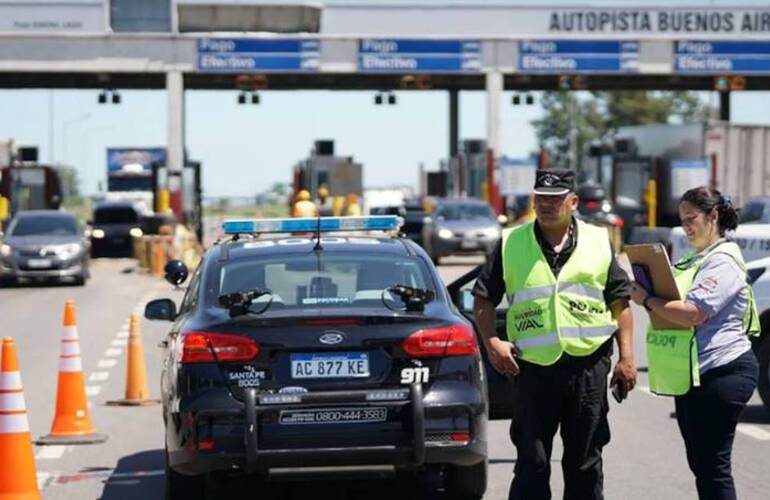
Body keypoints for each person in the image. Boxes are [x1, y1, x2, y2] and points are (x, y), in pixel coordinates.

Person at [472, 168, 636, 500]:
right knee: (532, 463)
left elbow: (621, 301)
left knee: (585, 463)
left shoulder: (597, 240)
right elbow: (482, 299)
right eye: (540, 199)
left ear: (573, 201)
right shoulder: (510, 242)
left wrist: (627, 358)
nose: (546, 205)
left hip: (587, 367)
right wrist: (492, 344)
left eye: (555, 199)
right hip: (532, 369)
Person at [630, 186, 759, 500]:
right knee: (701, 465)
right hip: (694, 374)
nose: (686, 227)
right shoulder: (696, 258)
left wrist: (646, 298)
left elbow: (692, 314)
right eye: (682, 219)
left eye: (692, 219)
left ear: (714, 216)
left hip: (723, 372)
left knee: (713, 467)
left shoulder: (723, 261)